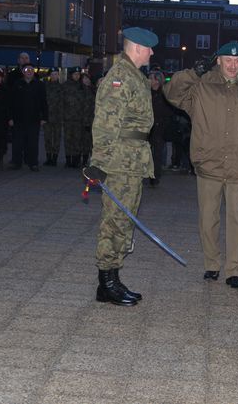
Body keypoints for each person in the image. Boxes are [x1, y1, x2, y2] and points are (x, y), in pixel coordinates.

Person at [164, 41, 238, 289]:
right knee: (208, 218)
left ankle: (235, 270)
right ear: (218, 61)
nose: (233, 65)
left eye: (237, 61)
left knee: (236, 219)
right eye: (228, 61)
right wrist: (193, 72)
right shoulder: (202, 84)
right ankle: (212, 264)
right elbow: (171, 93)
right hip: (208, 162)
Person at [86, 26, 158, 306]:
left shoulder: (134, 76)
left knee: (124, 221)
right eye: (149, 48)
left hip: (132, 160)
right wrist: (99, 164)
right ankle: (106, 283)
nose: (151, 52)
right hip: (118, 162)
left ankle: (114, 278)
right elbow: (105, 125)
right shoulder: (119, 78)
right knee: (114, 221)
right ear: (137, 47)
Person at [8, 63, 47, 171]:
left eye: (31, 69)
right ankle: (16, 162)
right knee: (17, 142)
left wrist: (44, 117)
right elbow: (11, 102)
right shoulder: (17, 84)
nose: (29, 71)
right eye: (26, 69)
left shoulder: (39, 85)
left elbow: (44, 102)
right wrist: (10, 117)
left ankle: (33, 163)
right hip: (18, 119)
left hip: (34, 119)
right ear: (23, 72)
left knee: (33, 143)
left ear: (33, 71)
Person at [148, 70, 171, 186]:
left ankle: (155, 176)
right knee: (147, 152)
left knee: (157, 153)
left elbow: (168, 111)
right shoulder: (147, 94)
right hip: (148, 127)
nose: (150, 81)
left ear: (157, 80)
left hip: (160, 127)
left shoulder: (164, 94)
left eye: (151, 78)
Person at [63, 66, 85, 168]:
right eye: (75, 74)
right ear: (71, 75)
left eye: (78, 74)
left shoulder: (82, 86)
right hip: (67, 117)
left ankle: (76, 160)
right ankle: (68, 160)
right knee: (68, 139)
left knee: (77, 140)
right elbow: (61, 102)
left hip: (79, 118)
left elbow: (86, 103)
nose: (77, 76)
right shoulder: (65, 86)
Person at [43, 68, 64, 167]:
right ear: (49, 75)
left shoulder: (62, 88)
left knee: (56, 138)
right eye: (52, 74)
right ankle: (48, 157)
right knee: (47, 138)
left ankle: (54, 158)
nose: (54, 76)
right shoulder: (45, 87)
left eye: (56, 74)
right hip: (47, 117)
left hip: (58, 117)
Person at [79, 73, 96, 166]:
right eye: (84, 78)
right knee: (84, 141)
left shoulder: (94, 90)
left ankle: (93, 161)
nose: (86, 80)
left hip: (93, 120)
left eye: (88, 78)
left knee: (92, 142)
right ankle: (84, 160)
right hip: (81, 119)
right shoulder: (79, 90)